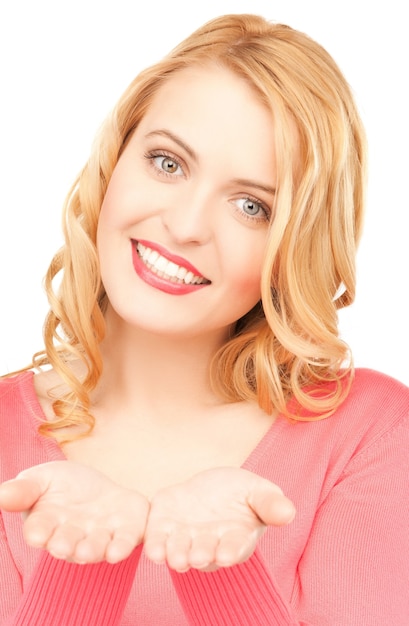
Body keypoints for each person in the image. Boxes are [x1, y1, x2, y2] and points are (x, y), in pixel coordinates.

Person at [0, 12, 408, 626]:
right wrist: (81, 568)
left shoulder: (371, 437)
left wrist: (224, 578)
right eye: (168, 163)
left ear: (292, 248)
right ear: (113, 162)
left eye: (252, 206)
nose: (187, 226)